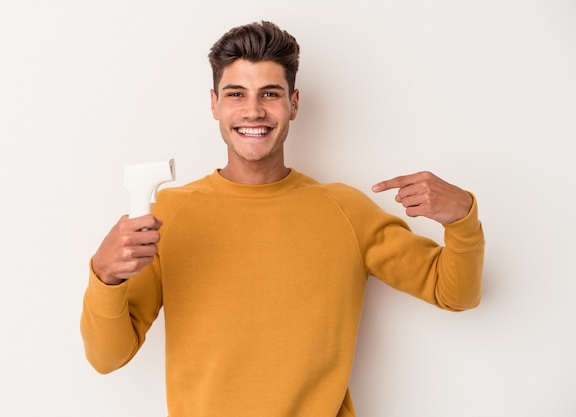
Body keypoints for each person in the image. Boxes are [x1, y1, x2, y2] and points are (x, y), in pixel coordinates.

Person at [80, 20, 484, 417]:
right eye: (236, 93)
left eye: (269, 94)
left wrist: (462, 218)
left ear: (293, 103)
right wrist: (104, 275)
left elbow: (454, 294)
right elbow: (107, 358)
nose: (253, 111)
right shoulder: (169, 215)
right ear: (214, 104)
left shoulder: (345, 211)